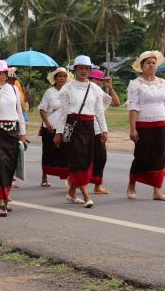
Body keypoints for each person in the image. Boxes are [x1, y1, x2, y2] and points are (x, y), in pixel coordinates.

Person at [54, 56, 107, 208]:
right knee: (78, 160)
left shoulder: (95, 89)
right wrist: (58, 133)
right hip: (73, 126)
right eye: (81, 68)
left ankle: (71, 193)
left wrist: (104, 130)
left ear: (90, 70)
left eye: (86, 68)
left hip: (89, 127)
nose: (84, 71)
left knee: (86, 160)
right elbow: (63, 113)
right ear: (75, 69)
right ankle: (86, 196)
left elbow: (99, 111)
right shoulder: (67, 88)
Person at [126, 50, 165, 201]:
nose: (152, 65)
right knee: (141, 156)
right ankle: (132, 184)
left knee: (160, 157)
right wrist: (133, 129)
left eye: (154, 63)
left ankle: (157, 191)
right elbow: (133, 107)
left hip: (161, 124)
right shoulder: (135, 84)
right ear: (142, 66)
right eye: (148, 63)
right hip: (143, 125)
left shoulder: (163, 83)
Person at [0, 60, 26, 217]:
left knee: (10, 166)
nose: (0, 75)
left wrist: (23, 131)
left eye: (2, 73)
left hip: (12, 130)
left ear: (7, 73)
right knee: (0, 163)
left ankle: (6, 198)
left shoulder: (14, 89)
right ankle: (0, 202)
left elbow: (19, 111)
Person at [38, 67, 74, 187]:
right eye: (59, 76)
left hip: (64, 128)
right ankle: (44, 176)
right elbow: (42, 109)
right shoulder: (49, 92)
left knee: (67, 153)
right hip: (50, 127)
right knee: (48, 152)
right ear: (55, 78)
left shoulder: (70, 91)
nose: (62, 78)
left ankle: (68, 177)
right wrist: (47, 123)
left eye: (64, 76)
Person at [88, 69, 120, 194]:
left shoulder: (99, 92)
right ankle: (74, 180)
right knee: (82, 157)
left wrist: (110, 87)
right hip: (83, 128)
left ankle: (97, 185)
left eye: (100, 80)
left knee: (101, 157)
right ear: (90, 79)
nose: (99, 82)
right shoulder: (81, 91)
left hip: (97, 129)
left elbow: (116, 102)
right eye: (96, 79)